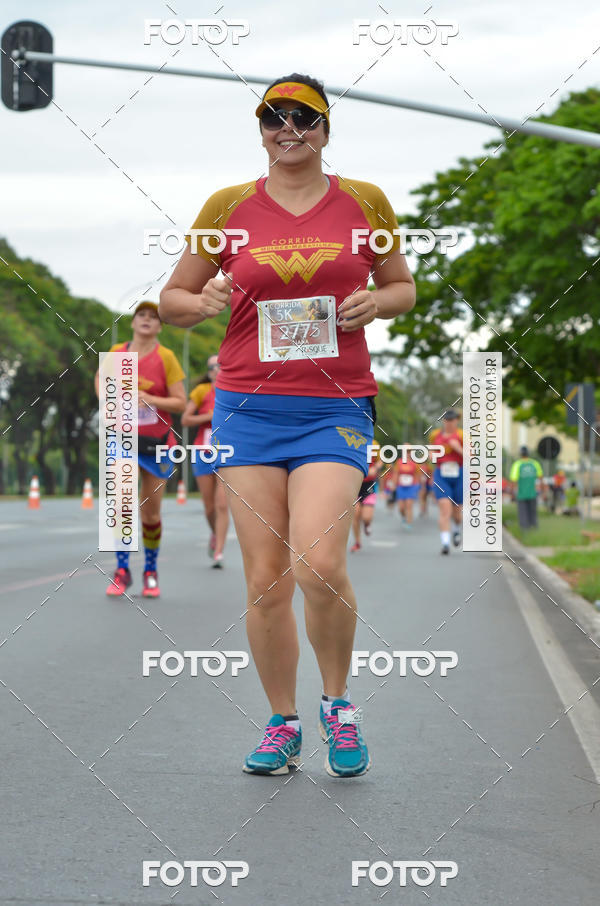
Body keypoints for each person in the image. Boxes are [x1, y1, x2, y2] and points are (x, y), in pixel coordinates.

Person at [159, 72, 416, 777]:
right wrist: (203, 298)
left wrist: (379, 304)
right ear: (261, 130)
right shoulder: (227, 206)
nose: (288, 128)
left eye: (304, 117)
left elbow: (403, 285)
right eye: (274, 118)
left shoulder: (366, 202)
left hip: (335, 407)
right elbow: (173, 298)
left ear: (326, 129)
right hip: (247, 406)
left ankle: (338, 703)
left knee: (319, 561)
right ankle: (282, 720)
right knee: (266, 578)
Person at [95, 301, 186, 597]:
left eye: (153, 317)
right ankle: (122, 571)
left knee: (150, 514)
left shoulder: (166, 357)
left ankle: (150, 570)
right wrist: (108, 399)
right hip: (122, 440)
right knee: (121, 505)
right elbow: (100, 379)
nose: (147, 320)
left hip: (157, 443)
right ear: (133, 323)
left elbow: (180, 402)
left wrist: (150, 398)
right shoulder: (118, 355)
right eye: (141, 315)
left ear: (160, 326)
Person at [181, 355, 230, 567]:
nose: (216, 370)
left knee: (222, 505)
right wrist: (207, 417)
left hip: (227, 451)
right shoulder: (201, 392)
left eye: (220, 366)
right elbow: (185, 419)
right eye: (212, 367)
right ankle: (214, 534)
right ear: (208, 372)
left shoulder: (233, 390)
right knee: (209, 507)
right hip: (203, 451)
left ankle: (219, 551)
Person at [430, 410, 463, 554]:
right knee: (445, 509)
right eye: (447, 420)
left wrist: (458, 448)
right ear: (443, 421)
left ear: (457, 421)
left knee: (456, 513)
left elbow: (472, 456)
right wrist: (432, 455)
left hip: (459, 475)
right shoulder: (435, 435)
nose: (450, 423)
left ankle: (456, 529)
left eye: (453, 420)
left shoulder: (462, 436)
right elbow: (431, 454)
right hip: (441, 475)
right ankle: (445, 544)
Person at [350, 450, 381, 552]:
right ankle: (357, 542)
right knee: (356, 515)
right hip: (355, 484)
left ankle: (367, 524)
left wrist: (375, 468)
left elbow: (381, 460)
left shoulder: (373, 445)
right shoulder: (350, 442)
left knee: (366, 517)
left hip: (368, 486)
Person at [509, 446, 543, 530]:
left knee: (523, 513)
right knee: (533, 512)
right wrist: (543, 491)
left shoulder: (517, 464)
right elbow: (541, 478)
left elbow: (513, 480)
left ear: (520, 454)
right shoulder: (535, 463)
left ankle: (525, 530)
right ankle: (534, 528)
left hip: (521, 494)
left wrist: (511, 492)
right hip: (532, 493)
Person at [392, 450, 419, 529]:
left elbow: (417, 474)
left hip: (411, 486)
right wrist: (394, 484)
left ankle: (409, 522)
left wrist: (417, 486)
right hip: (401, 486)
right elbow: (396, 473)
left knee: (409, 504)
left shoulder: (415, 463)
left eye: (409, 451)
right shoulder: (399, 462)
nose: (407, 453)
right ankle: (404, 517)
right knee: (401, 508)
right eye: (406, 451)